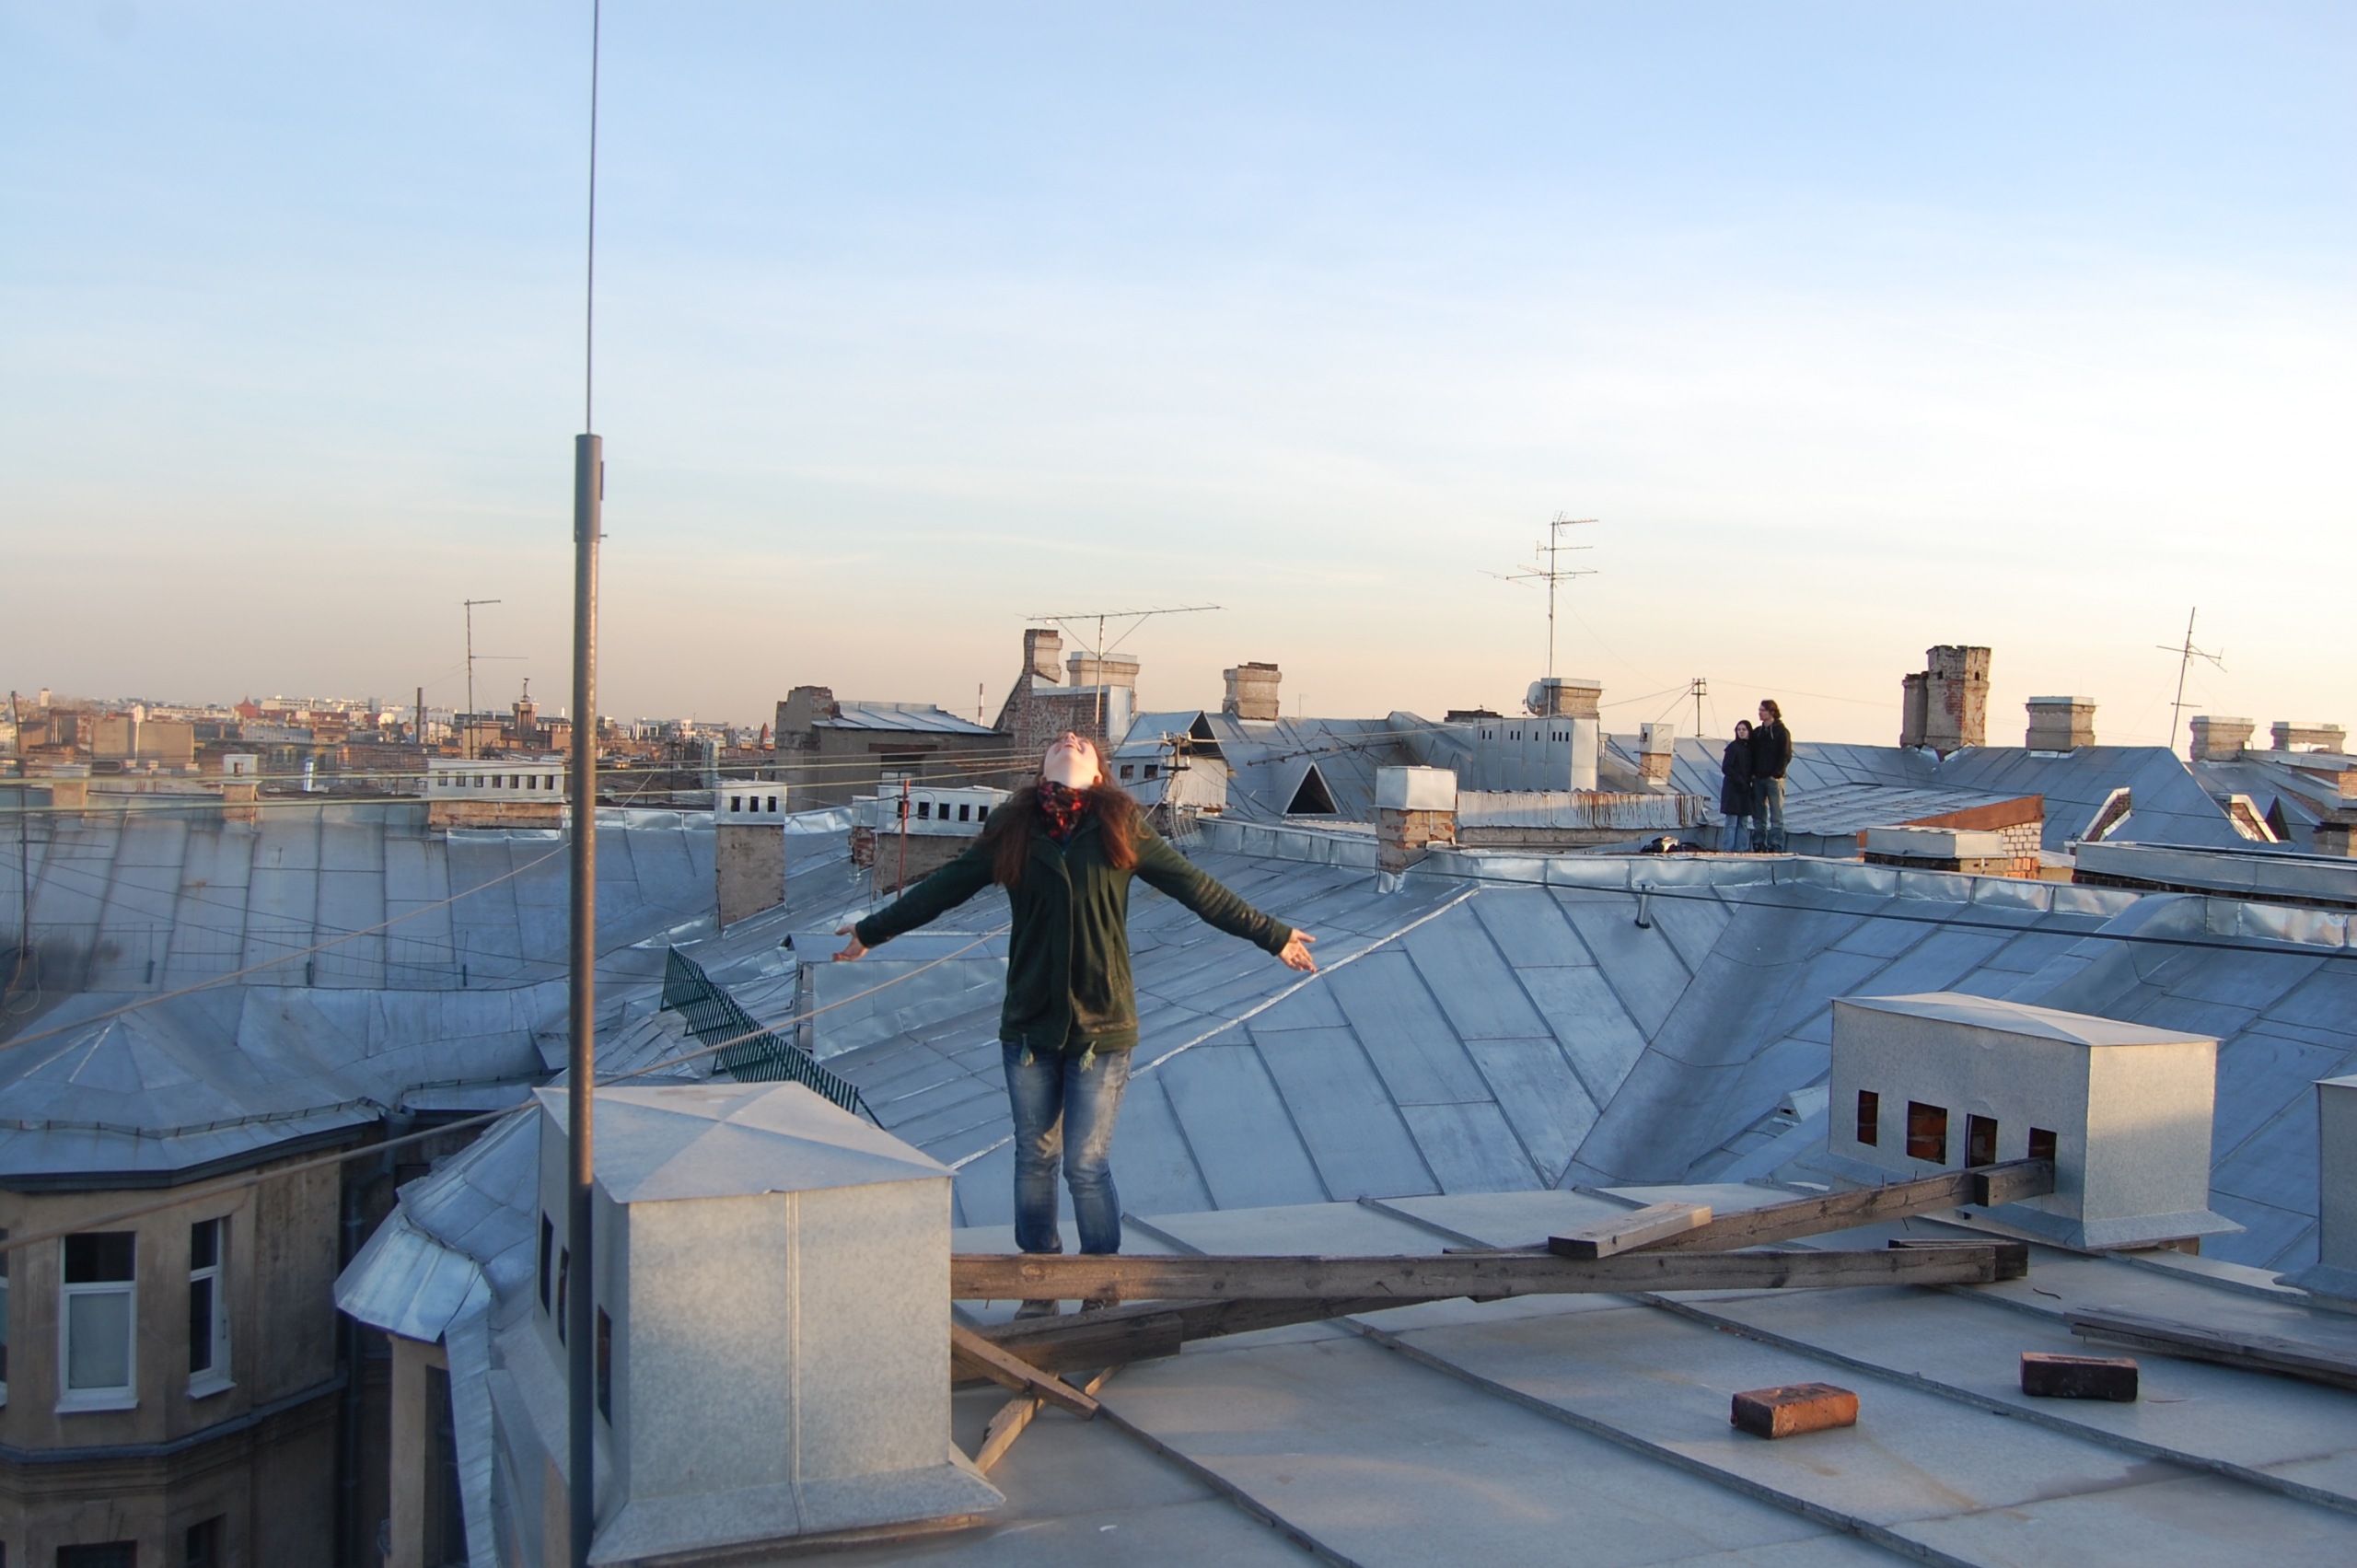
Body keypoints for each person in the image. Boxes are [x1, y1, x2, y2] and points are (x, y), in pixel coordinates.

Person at [835, 731, 1316, 1311]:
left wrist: (1273, 935)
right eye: (1061, 741)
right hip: (1030, 1026)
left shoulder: (1120, 826)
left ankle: (1100, 1286)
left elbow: (1198, 890)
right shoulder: (1013, 829)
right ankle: (1039, 1288)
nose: (1071, 738)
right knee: (1035, 1159)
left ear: (1097, 774)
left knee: (1086, 1165)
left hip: (1102, 1027)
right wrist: (871, 931)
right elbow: (942, 890)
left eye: (1083, 742)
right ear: (1043, 770)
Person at [1749, 699, 1793, 852]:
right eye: (1759, 710)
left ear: (1772, 712)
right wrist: (1753, 773)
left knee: (1776, 814)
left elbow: (1786, 754)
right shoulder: (1758, 732)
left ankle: (1775, 845)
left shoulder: (1781, 732)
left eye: (1763, 710)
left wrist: (1777, 774)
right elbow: (1751, 753)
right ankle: (1759, 843)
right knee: (1758, 815)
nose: (1760, 713)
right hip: (1758, 778)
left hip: (1774, 780)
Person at [1719, 719, 1755, 852]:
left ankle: (1741, 850)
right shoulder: (1733, 747)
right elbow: (1726, 768)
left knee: (1743, 822)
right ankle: (1728, 850)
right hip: (1733, 789)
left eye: (1744, 729)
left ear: (1749, 731)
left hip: (1746, 789)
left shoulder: (1750, 749)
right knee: (1732, 822)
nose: (1741, 732)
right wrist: (1739, 780)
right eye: (1739, 729)